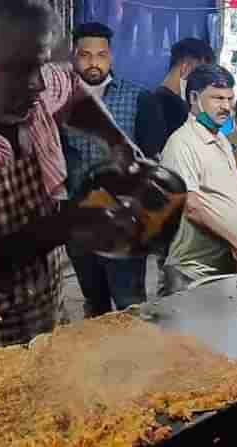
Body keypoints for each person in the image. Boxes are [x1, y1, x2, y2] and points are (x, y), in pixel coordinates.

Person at [0, 0, 187, 347]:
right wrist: (72, 224)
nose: (38, 84)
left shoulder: (40, 87)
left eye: (39, 65)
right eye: (20, 69)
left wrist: (117, 143)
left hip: (47, 308)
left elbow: (72, 92)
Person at [60, 22, 148, 317]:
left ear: (111, 57)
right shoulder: (59, 102)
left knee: (130, 305)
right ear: (75, 57)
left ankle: (135, 361)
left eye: (101, 55)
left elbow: (150, 158)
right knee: (94, 304)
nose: (93, 62)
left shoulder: (136, 98)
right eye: (85, 55)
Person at [160, 65, 237, 295]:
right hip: (192, 272)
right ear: (194, 98)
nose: (226, 106)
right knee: (186, 330)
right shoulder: (181, 144)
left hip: (224, 268)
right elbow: (192, 208)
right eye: (217, 98)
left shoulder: (222, 141)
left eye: (229, 98)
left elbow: (234, 195)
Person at [137, 38, 214, 160]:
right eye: (201, 75)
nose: (204, 83)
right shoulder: (157, 104)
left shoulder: (182, 104)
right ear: (185, 67)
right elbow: (154, 155)